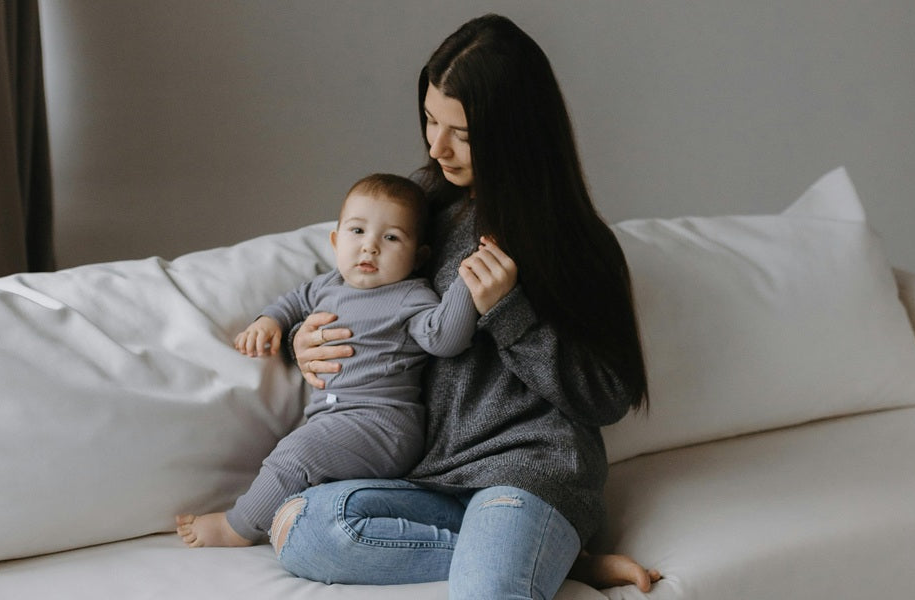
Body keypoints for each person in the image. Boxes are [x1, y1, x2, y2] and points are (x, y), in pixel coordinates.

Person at [272, 14, 662, 597]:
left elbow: (607, 396)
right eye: (431, 120)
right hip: (430, 480)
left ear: (514, 132)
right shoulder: (421, 210)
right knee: (300, 526)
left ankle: (525, 550)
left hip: (528, 476)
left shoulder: (575, 242)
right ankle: (550, 559)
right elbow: (346, 287)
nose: (436, 146)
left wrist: (510, 313)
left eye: (462, 132)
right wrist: (299, 339)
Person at [176, 173, 478, 548]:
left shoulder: (410, 296)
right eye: (357, 231)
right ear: (335, 241)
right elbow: (293, 302)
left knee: (296, 454)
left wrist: (465, 288)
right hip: (336, 420)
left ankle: (236, 527)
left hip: (382, 425)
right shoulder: (329, 284)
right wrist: (269, 322)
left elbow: (444, 338)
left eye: (391, 238)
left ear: (418, 257)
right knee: (295, 456)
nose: (370, 247)